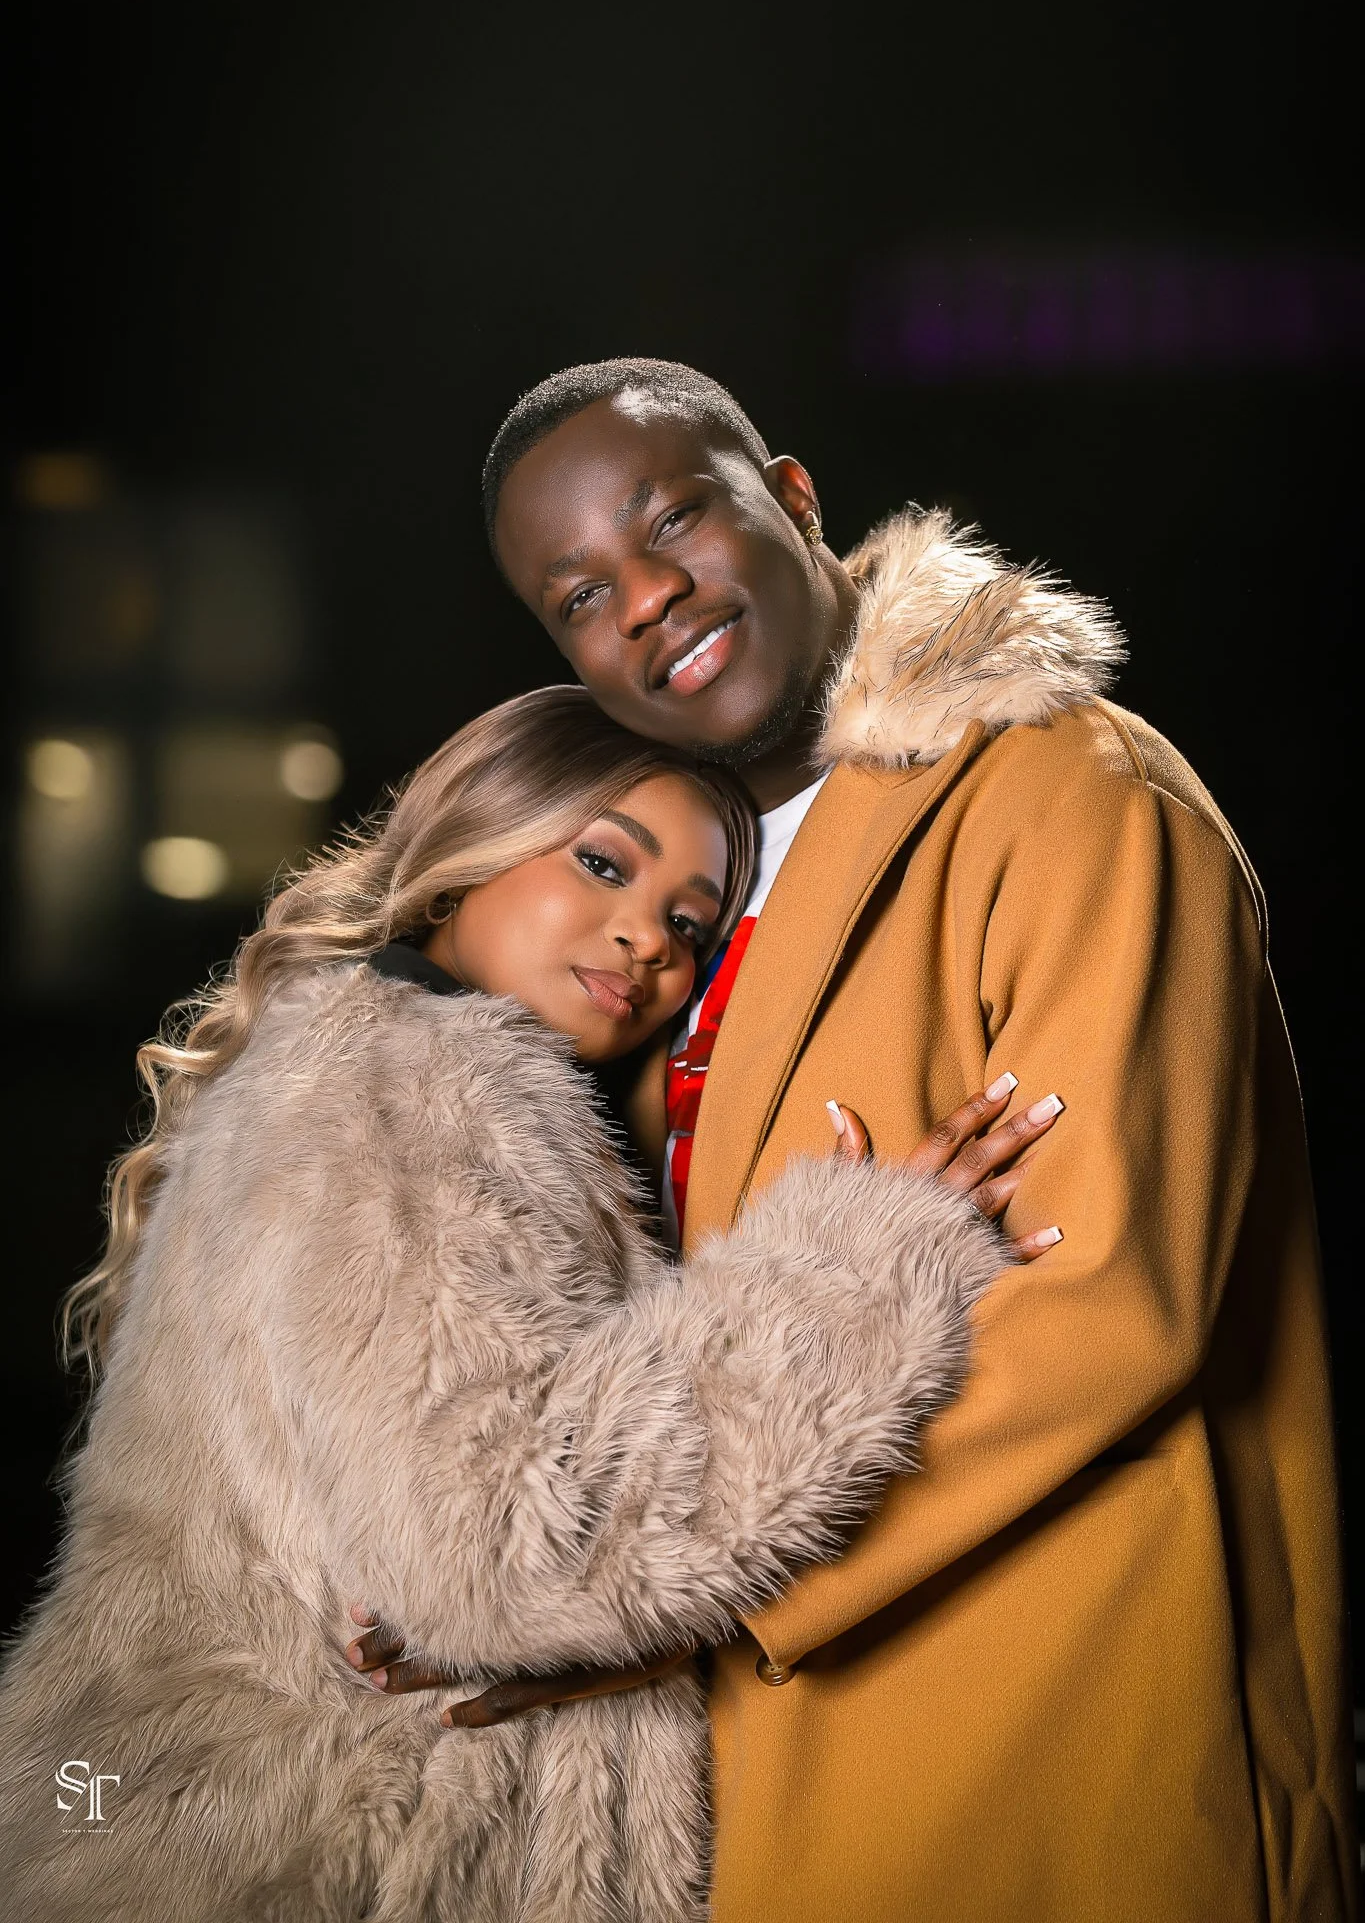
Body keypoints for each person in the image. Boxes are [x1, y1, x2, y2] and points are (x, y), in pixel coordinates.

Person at [360, 359, 1355, 1921]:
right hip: (753, 1812)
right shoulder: (659, 915)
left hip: (1051, 1765)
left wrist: (638, 1597)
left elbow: (1109, 1308)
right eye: (577, 597)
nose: (643, 600)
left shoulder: (1074, 799)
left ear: (796, 500)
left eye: (673, 517)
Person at [0, 686, 1061, 1923]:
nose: (646, 936)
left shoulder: (359, 1059)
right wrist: (871, 1258)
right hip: (290, 1860)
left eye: (690, 922)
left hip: (155, 1817)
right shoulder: (414, 1082)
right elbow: (507, 1537)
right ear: (467, 856)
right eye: (602, 862)